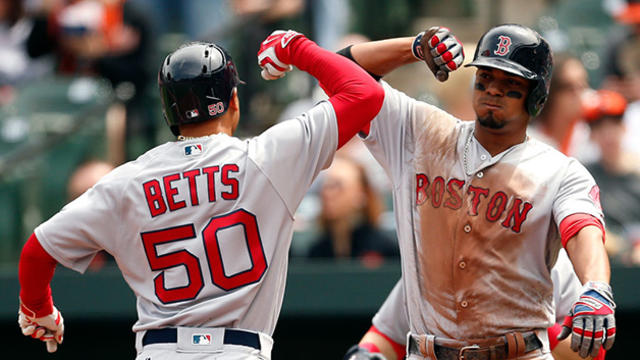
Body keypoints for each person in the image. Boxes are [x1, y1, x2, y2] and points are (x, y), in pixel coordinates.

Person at [16, 29, 385, 359]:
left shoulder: (125, 181)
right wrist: (297, 47)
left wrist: (38, 309)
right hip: (239, 350)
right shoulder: (267, 157)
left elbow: (38, 249)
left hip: (158, 350)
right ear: (234, 101)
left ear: (169, 112)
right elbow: (365, 93)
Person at [332, 24, 615, 359]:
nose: (493, 89)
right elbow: (342, 74)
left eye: (510, 82)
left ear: (536, 96)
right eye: (486, 77)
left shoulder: (558, 171)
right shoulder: (423, 133)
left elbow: (583, 229)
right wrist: (416, 47)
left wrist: (596, 286)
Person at [344, 250, 605, 360]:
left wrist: (523, 327)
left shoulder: (550, 257)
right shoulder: (431, 261)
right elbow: (386, 336)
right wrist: (365, 355)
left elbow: (593, 353)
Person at [582, 88, 640, 265]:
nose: (608, 135)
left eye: (613, 125)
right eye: (600, 128)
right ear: (592, 134)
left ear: (623, 127)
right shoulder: (583, 176)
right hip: (601, 262)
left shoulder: (637, 172)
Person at [307, 153, 398, 264]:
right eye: (324, 185)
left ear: (361, 194)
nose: (327, 193)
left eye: (336, 185)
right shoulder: (316, 253)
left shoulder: (385, 249)